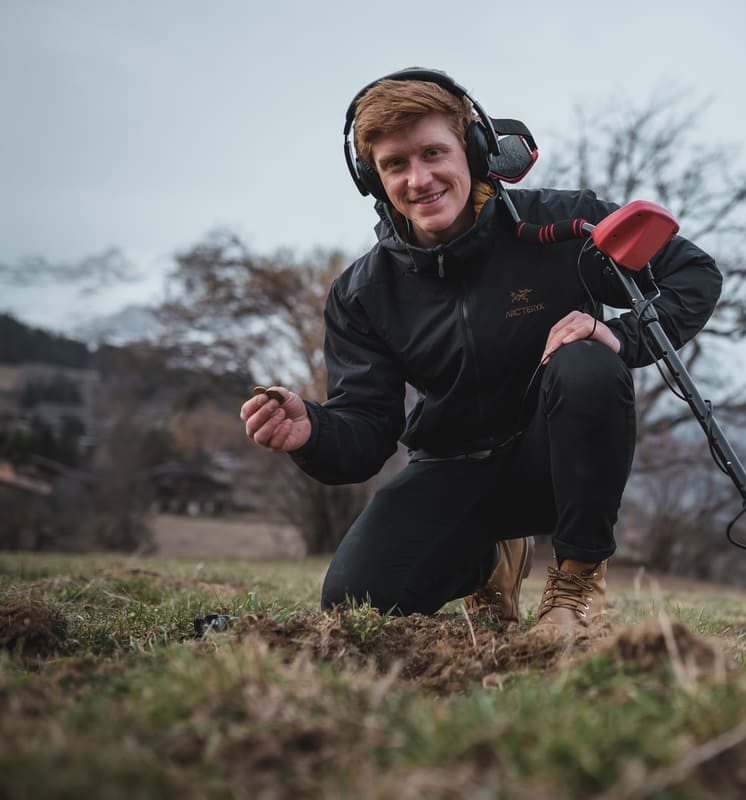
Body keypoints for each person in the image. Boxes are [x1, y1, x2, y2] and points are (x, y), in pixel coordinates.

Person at [240, 68, 721, 637]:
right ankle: (487, 562)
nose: (419, 179)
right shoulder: (361, 294)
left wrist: (624, 336)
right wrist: (313, 432)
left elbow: (693, 272)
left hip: (559, 464)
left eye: (433, 153)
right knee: (356, 605)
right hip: (452, 469)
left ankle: (575, 583)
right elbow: (368, 432)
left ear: (473, 148)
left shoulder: (567, 225)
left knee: (588, 359)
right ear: (373, 178)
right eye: (396, 164)